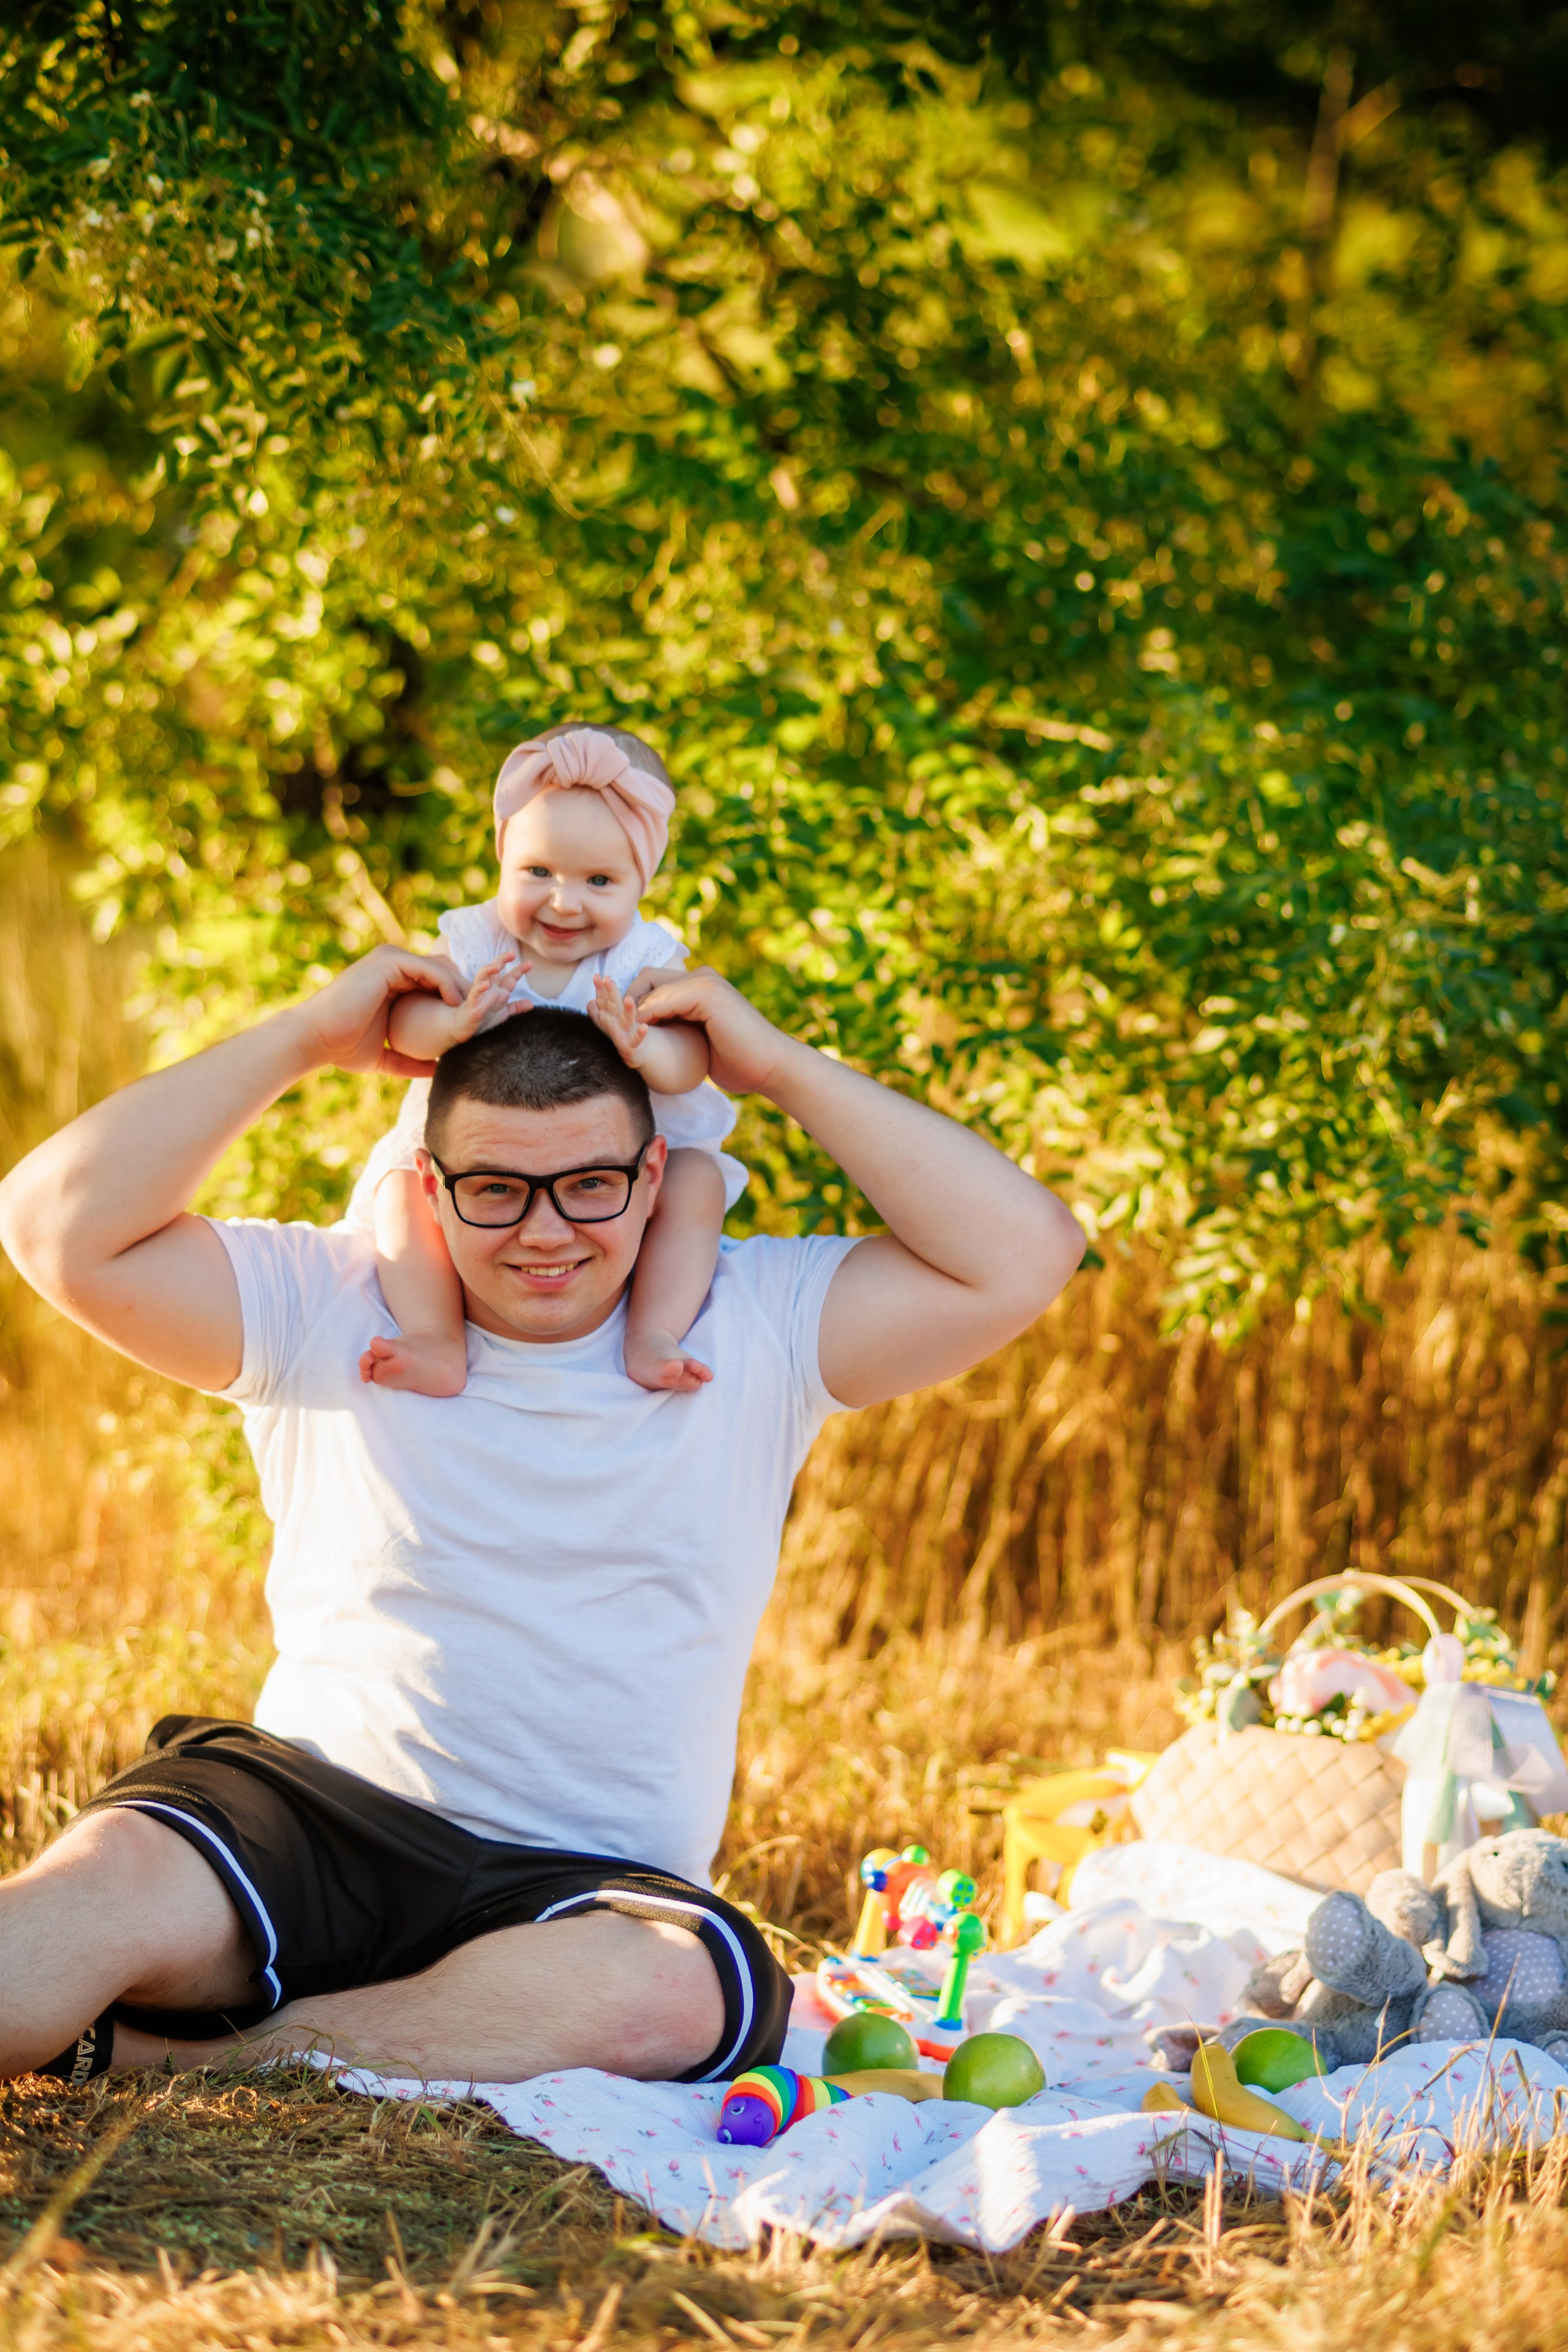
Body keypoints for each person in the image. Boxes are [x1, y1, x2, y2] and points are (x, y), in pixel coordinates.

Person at [0, 939, 1085, 2087]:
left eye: (590, 1185)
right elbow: (49, 1227)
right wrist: (313, 1034)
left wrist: (774, 1068)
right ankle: (371, 2027)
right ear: (430, 1185)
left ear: (655, 1177)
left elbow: (1027, 1255)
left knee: (673, 1995)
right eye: (496, 1189)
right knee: (79, 1907)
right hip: (303, 1828)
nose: (547, 1232)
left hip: (579, 1891)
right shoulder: (326, 1302)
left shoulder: (753, 1322)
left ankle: (181, 2065)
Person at [360, 720, 741, 1398]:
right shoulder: (476, 941)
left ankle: (653, 1331)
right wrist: (452, 1021)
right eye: (537, 872)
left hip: (622, 1161)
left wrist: (645, 1045)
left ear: (640, 881)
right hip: (470, 1156)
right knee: (401, 1192)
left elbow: (690, 1063)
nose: (564, 902)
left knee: (698, 1183)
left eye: (599, 880)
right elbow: (404, 1024)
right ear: (502, 854)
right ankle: (436, 1338)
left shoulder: (642, 960)